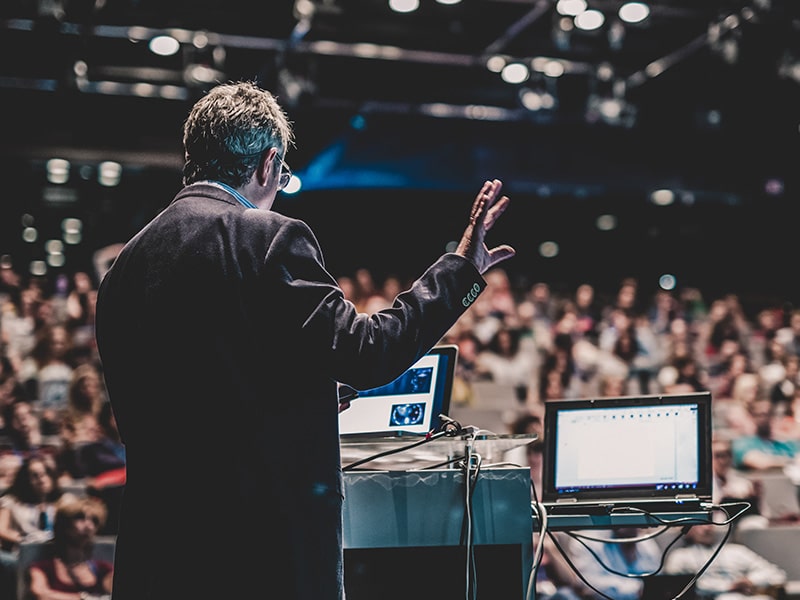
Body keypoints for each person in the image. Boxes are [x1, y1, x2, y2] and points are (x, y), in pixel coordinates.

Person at [93, 80, 515, 600]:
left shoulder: (124, 268)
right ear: (269, 164)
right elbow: (368, 352)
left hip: (155, 556)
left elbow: (193, 394)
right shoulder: (265, 236)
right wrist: (459, 271)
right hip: (257, 556)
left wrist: (300, 397)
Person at [664, 522, 787, 600]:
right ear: (687, 530)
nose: (707, 528)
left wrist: (751, 580)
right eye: (700, 524)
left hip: (747, 596)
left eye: (709, 523)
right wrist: (728, 587)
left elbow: (776, 573)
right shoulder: (680, 556)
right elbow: (675, 587)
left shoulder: (736, 551)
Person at [26, 495, 114, 600]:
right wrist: (83, 598)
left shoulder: (103, 569)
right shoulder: (43, 567)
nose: (88, 525)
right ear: (65, 525)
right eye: (80, 518)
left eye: (94, 521)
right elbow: (41, 595)